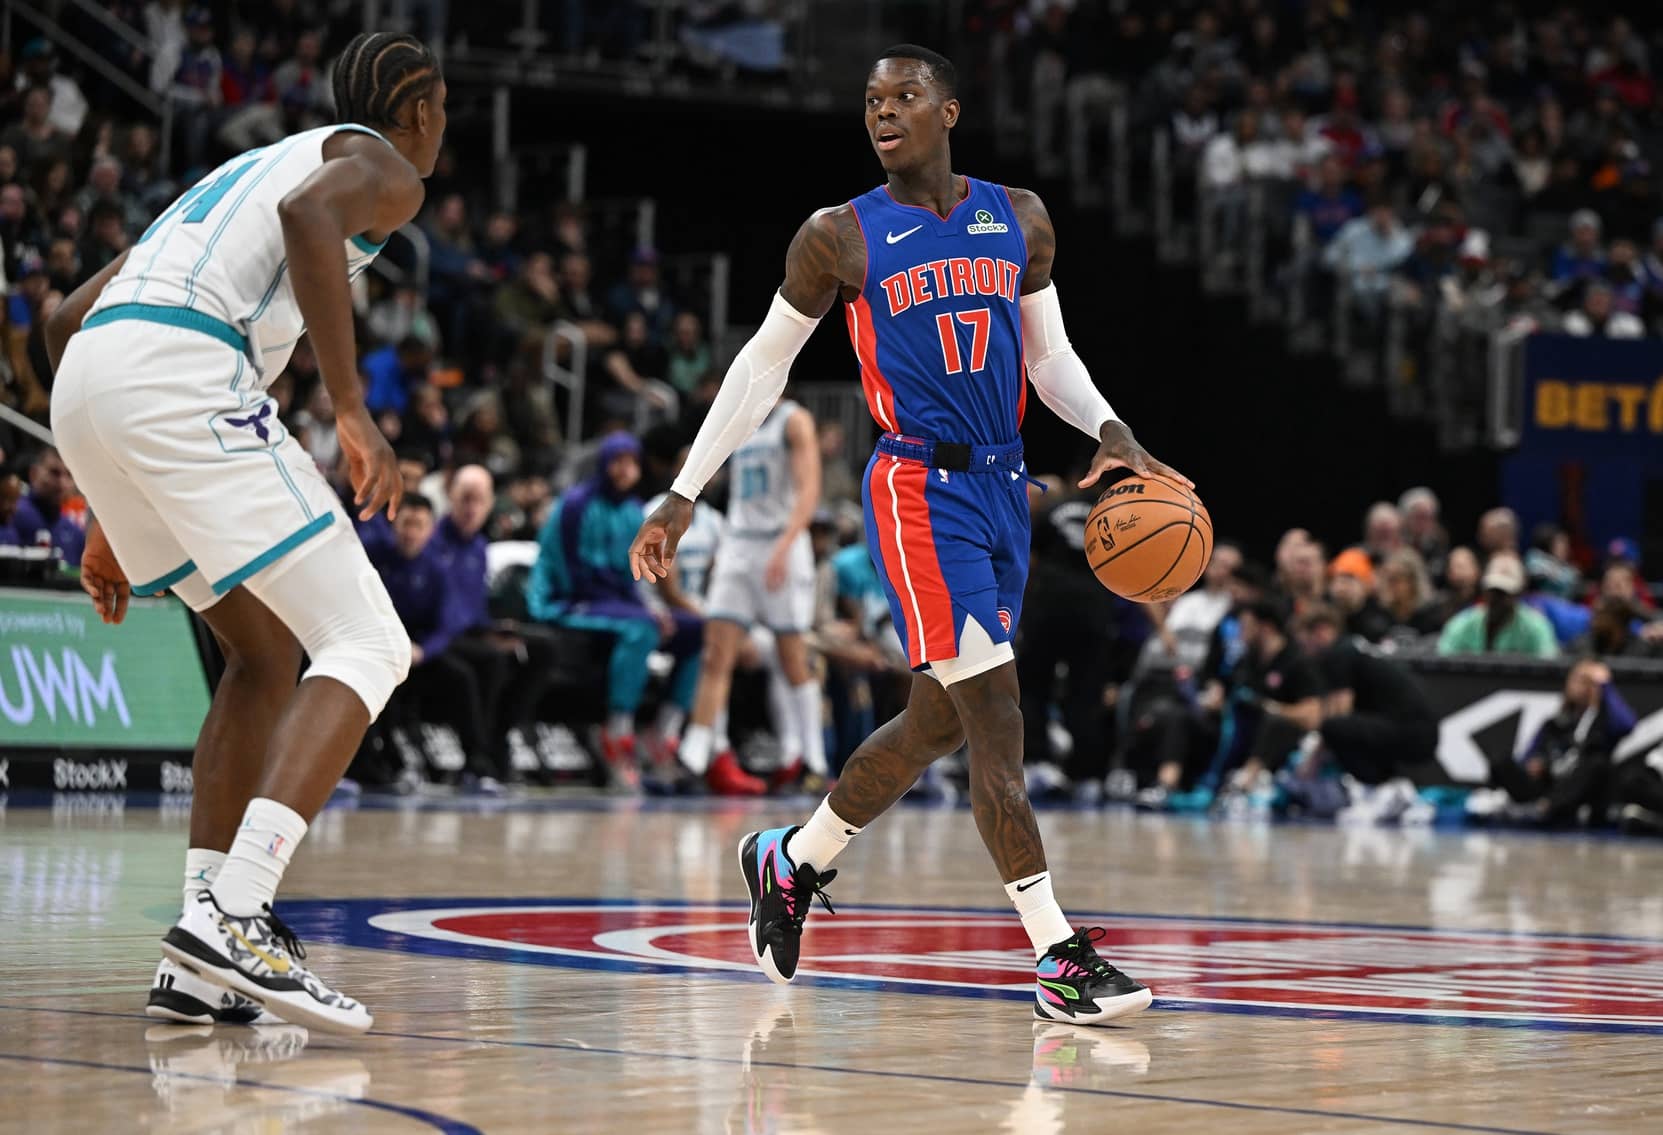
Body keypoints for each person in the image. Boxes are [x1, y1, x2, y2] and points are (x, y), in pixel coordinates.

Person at [629, 45, 1182, 1025]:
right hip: (915, 488)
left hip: (1006, 483)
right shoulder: (837, 236)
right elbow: (761, 368)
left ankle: (791, 861)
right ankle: (1056, 952)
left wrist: (1108, 426)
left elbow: (1049, 359)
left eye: (903, 96)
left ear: (949, 110)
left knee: (936, 720)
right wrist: (683, 488)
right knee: (996, 717)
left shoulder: (1019, 217)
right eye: (871, 99)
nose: (883, 112)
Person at [44, 32, 447, 1035]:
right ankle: (241, 910)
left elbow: (62, 321)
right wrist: (351, 409)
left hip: (91, 385)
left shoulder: (242, 169)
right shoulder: (378, 168)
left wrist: (106, 500)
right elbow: (311, 218)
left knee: (262, 656)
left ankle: (194, 953)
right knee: (369, 642)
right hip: (183, 375)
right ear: (424, 112)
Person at [526, 431, 702, 789]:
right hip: (569, 598)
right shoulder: (575, 505)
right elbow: (568, 570)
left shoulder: (634, 511)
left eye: (632, 463)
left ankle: (662, 734)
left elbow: (632, 578)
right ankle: (616, 731)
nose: (625, 470)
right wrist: (638, 613)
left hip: (616, 604)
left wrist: (649, 607)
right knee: (642, 630)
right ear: (604, 464)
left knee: (696, 629)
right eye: (618, 462)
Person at [677, 397, 826, 793]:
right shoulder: (739, 416)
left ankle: (813, 760)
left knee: (792, 656)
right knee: (715, 652)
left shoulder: (793, 421)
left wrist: (786, 544)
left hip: (782, 542)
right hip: (739, 542)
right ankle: (695, 756)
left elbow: (809, 489)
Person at [1293, 605, 1438, 786]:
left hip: (1413, 733)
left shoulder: (1340, 654)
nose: (1303, 649)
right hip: (1411, 729)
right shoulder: (1350, 650)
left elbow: (1339, 716)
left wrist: (1310, 762)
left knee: (1335, 728)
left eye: (1305, 642)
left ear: (1322, 631)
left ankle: (1369, 788)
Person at [1436, 553, 1558, 658]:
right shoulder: (1461, 624)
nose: (1496, 600)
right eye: (1493, 592)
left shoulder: (1536, 627)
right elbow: (1443, 657)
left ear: (1518, 594)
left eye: (1504, 594)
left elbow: (1548, 661)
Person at [9, 445, 86, 565]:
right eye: (54, 473)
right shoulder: (11, 515)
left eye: (69, 475)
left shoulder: (75, 532)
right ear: (33, 474)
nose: (62, 483)